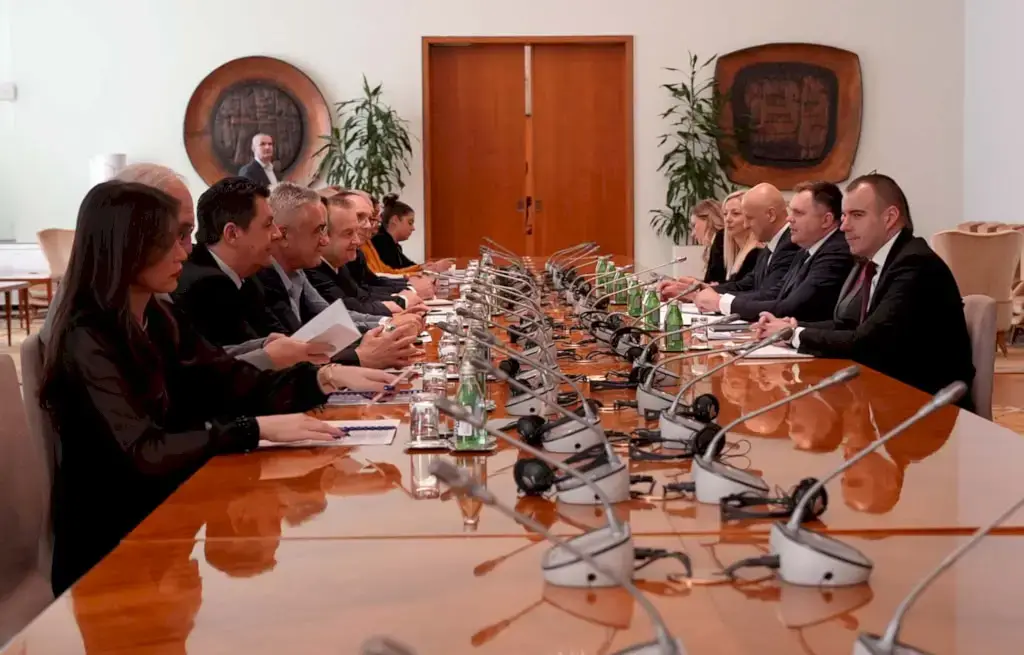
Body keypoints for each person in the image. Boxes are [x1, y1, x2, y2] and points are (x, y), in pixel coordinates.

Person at [39, 181, 397, 594]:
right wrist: (253, 429)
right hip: (114, 548)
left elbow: (232, 381)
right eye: (171, 240)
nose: (184, 252)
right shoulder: (86, 337)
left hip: (170, 516)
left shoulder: (158, 318)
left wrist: (324, 377)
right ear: (127, 248)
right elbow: (143, 451)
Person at [755, 173, 975, 408]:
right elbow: (851, 326)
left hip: (926, 407)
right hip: (886, 396)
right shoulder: (879, 262)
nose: (844, 226)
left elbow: (866, 342)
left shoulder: (915, 264)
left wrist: (794, 334)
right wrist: (793, 327)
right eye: (844, 215)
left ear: (890, 217)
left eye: (857, 215)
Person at [255, 183, 422, 337]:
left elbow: (331, 318)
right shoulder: (262, 280)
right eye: (319, 230)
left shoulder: (297, 271)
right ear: (284, 235)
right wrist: (388, 326)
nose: (325, 240)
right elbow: (295, 345)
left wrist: (387, 324)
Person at [725, 181, 854, 322]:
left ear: (826, 220)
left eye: (798, 213)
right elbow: (780, 293)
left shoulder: (836, 252)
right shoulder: (805, 250)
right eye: (791, 211)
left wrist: (725, 303)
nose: (789, 218)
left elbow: (793, 307)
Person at [307, 192, 425, 316]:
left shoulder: (342, 260)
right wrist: (403, 299)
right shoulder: (311, 266)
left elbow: (362, 294)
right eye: (360, 217)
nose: (368, 225)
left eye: (370, 218)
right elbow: (345, 309)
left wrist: (405, 293)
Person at [691, 182, 800, 314]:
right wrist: (703, 289)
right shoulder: (771, 246)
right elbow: (746, 284)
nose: (746, 225)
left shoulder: (791, 245)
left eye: (749, 218)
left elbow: (771, 295)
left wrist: (720, 302)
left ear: (771, 215)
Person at [362, 193, 453, 274]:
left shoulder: (390, 244)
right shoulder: (380, 241)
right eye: (410, 222)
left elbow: (389, 272)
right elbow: (387, 274)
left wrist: (426, 268)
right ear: (395, 220)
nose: (413, 228)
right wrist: (427, 269)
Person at [691, 198, 726, 284]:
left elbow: (716, 283)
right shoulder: (720, 240)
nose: (692, 234)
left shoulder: (720, 239)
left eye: (694, 225)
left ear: (707, 219)